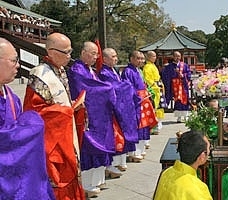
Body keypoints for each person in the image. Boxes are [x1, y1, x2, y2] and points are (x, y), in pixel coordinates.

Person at [23, 33, 85, 199]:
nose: (69, 56)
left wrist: (74, 106)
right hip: (52, 142)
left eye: (70, 51)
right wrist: (65, 112)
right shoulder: (39, 75)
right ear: (50, 52)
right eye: (66, 52)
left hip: (65, 134)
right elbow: (34, 114)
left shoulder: (61, 70)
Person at [0, 38, 55, 199]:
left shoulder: (11, 96)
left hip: (14, 175)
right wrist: (32, 123)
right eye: (13, 60)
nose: (18, 65)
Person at [67, 41, 115, 197]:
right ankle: (87, 184)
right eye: (93, 53)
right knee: (89, 147)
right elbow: (88, 89)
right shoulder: (77, 70)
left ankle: (97, 180)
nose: (96, 57)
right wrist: (108, 89)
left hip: (99, 115)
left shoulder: (90, 70)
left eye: (97, 54)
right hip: (88, 116)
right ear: (82, 53)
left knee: (100, 145)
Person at [98, 48, 140, 168]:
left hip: (122, 106)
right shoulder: (104, 73)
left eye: (116, 56)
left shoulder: (113, 70)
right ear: (105, 59)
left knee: (123, 133)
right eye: (113, 56)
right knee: (117, 135)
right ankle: (114, 165)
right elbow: (114, 88)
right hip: (113, 109)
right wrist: (128, 86)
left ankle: (121, 162)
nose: (116, 59)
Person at [153, 130, 212, 200]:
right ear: (202, 156)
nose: (209, 152)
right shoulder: (197, 188)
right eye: (209, 148)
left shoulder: (166, 172)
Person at [121, 51, 158, 160]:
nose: (141, 61)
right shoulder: (127, 71)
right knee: (137, 126)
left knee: (144, 126)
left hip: (144, 101)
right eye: (138, 58)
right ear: (131, 58)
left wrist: (147, 92)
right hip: (136, 103)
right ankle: (133, 152)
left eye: (142, 59)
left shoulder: (139, 71)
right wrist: (138, 96)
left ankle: (140, 149)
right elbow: (127, 88)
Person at [162, 51, 191, 123]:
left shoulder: (184, 65)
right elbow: (165, 76)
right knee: (177, 101)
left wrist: (183, 76)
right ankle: (178, 117)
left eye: (179, 56)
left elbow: (189, 74)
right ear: (173, 57)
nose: (177, 58)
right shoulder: (169, 67)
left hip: (183, 85)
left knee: (184, 100)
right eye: (176, 56)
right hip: (175, 86)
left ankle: (185, 116)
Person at [143, 51, 165, 134]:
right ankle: (154, 127)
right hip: (154, 89)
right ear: (148, 57)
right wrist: (155, 85)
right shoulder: (147, 67)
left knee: (159, 107)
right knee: (154, 107)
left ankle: (157, 125)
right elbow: (148, 79)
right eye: (153, 56)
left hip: (158, 87)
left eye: (155, 56)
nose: (154, 58)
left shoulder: (153, 66)